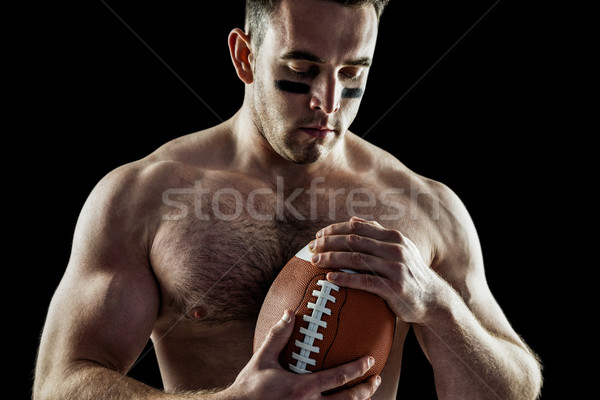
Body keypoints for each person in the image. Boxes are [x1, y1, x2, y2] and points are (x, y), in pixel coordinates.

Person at [33, 0, 543, 399]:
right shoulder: (144, 197)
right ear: (244, 56)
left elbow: (512, 390)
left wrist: (436, 304)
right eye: (302, 69)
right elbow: (59, 384)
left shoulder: (424, 207)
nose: (328, 100)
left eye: (353, 75)